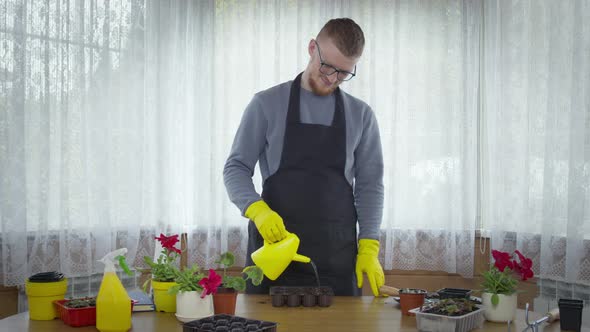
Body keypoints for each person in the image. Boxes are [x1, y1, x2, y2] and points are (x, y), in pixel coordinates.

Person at [223, 18, 384, 296]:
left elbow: (370, 186)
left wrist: (369, 244)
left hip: (337, 260)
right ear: (312, 48)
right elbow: (235, 168)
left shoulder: (362, 115)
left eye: (344, 73)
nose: (332, 78)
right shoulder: (266, 104)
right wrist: (256, 210)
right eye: (327, 67)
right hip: (273, 255)